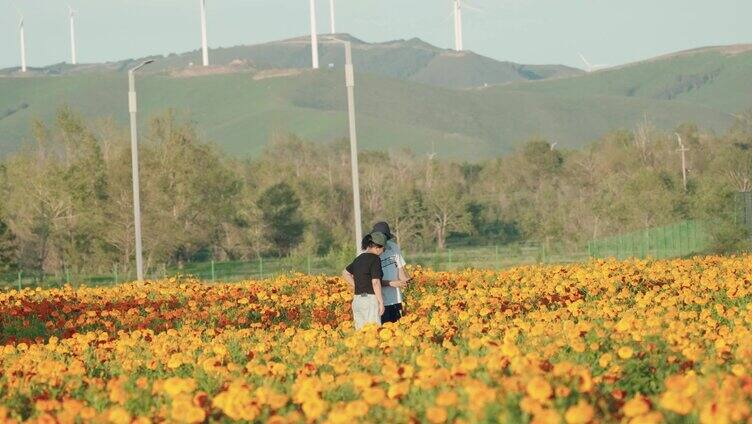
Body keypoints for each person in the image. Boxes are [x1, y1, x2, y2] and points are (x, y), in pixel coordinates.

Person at [342, 232, 388, 330]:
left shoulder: (358, 259)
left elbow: (345, 273)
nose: (383, 252)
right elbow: (375, 282)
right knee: (373, 332)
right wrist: (381, 302)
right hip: (370, 301)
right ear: (377, 247)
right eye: (383, 249)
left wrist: (357, 285)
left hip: (357, 300)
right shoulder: (375, 259)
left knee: (360, 334)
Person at [371, 221, 409, 323]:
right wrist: (392, 283)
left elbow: (400, 270)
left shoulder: (394, 247)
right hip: (379, 302)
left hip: (396, 299)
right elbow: (373, 280)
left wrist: (406, 281)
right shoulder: (370, 253)